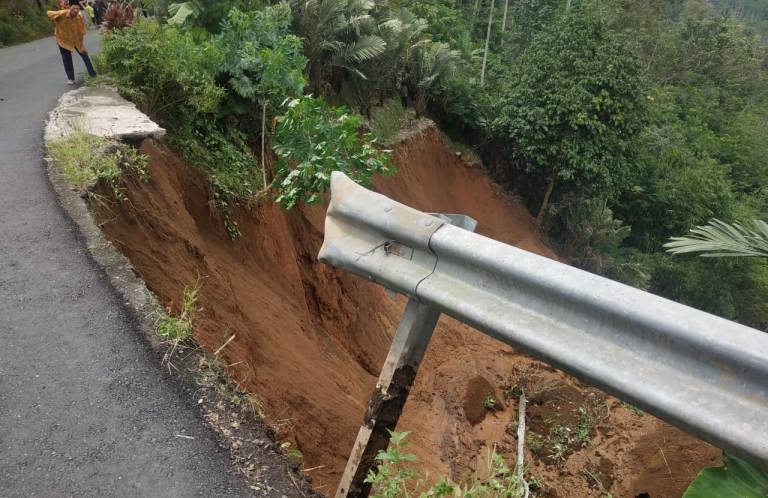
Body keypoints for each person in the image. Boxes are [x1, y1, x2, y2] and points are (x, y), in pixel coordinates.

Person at [48, 1, 97, 85]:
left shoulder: (79, 17)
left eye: (77, 9)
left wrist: (81, 43)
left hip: (75, 40)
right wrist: (55, 17)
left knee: (84, 54)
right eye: (74, 9)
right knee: (66, 59)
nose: (75, 11)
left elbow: (82, 31)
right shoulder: (62, 13)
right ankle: (71, 78)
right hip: (63, 40)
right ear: (70, 8)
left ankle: (92, 74)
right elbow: (49, 13)